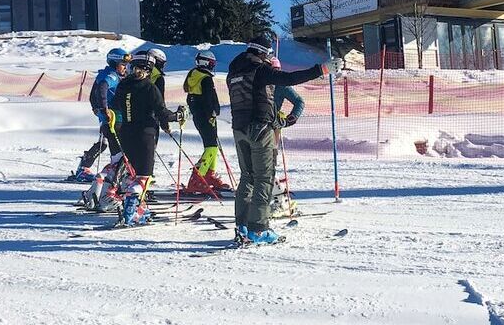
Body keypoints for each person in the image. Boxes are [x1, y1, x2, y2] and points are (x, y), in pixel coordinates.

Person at [227, 35, 342, 244]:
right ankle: (259, 229)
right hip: (260, 129)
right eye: (268, 54)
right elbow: (289, 79)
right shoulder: (260, 70)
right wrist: (321, 70)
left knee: (247, 177)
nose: (268, 57)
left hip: (239, 129)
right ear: (262, 52)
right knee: (264, 178)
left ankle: (242, 225)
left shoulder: (234, 70)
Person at [111, 51, 188, 226]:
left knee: (134, 173)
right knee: (143, 177)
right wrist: (178, 116)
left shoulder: (123, 85)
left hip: (125, 133)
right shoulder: (149, 87)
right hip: (145, 134)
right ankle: (130, 211)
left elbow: (114, 106)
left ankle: (139, 207)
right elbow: (163, 113)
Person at [73, 48, 131, 182]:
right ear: (114, 63)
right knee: (105, 143)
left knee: (104, 142)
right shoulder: (111, 76)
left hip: (112, 114)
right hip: (110, 115)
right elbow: (101, 89)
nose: (125, 67)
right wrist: (103, 109)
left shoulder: (115, 75)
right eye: (122, 64)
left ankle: (84, 167)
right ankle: (83, 169)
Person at [182, 50, 231, 194]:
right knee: (211, 147)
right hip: (207, 116)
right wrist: (213, 111)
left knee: (212, 146)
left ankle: (209, 174)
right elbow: (209, 99)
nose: (212, 66)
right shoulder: (205, 79)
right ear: (206, 63)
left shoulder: (194, 76)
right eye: (211, 63)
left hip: (199, 116)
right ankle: (197, 178)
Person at [270, 56, 305, 217]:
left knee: (267, 164)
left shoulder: (280, 84)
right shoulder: (257, 81)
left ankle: (281, 199)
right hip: (257, 126)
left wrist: (291, 118)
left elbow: (299, 101)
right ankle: (275, 198)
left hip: (273, 126)